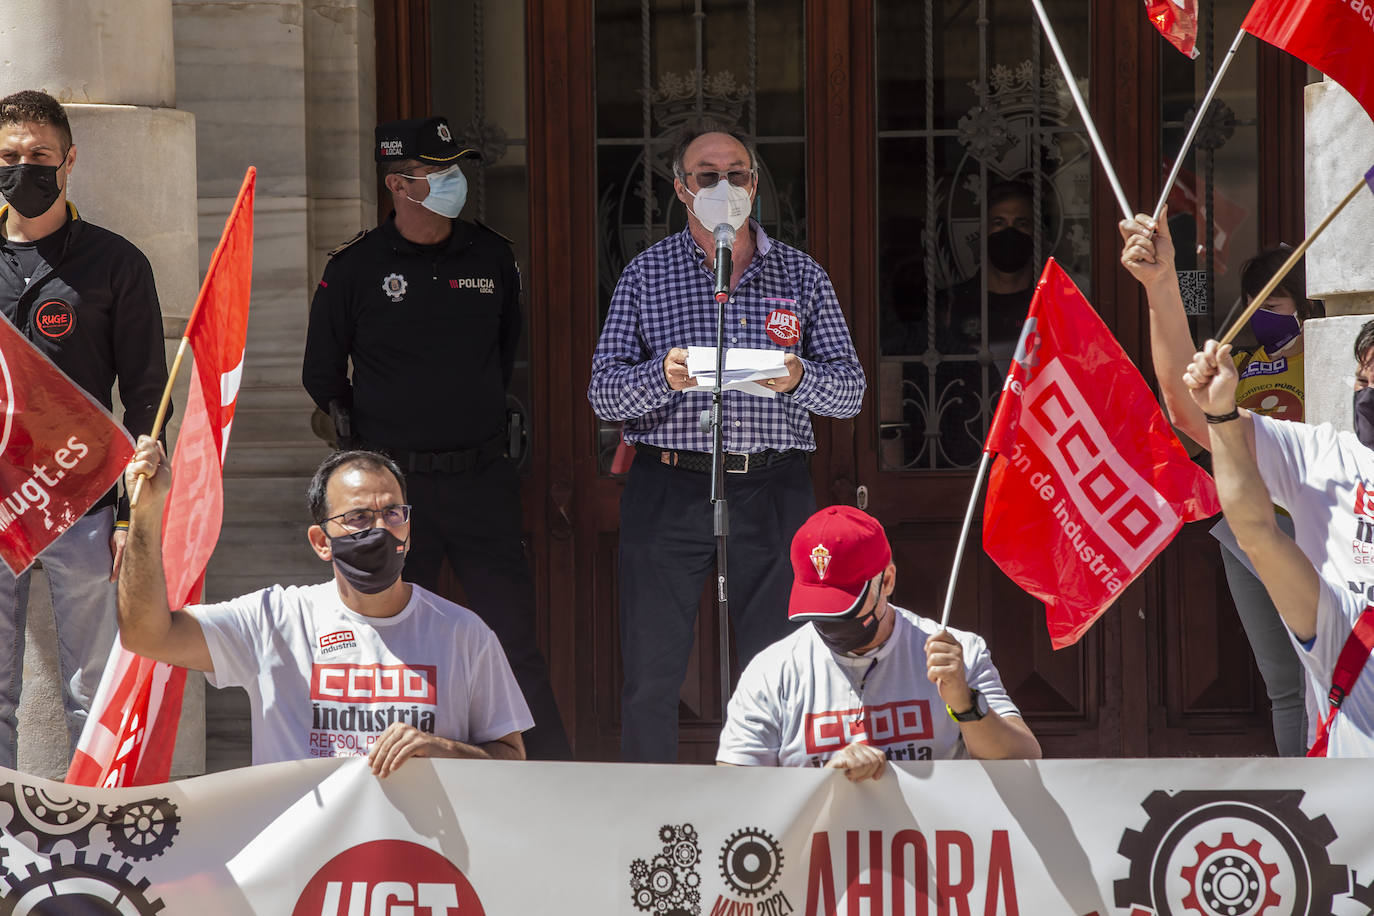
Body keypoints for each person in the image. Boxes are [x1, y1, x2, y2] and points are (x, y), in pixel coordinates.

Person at [588, 126, 866, 763]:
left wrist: (798, 378)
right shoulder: (646, 274)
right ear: (681, 189)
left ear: (755, 184)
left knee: (782, 664)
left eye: (736, 173)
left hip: (772, 488)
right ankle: (652, 808)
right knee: (652, 672)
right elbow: (603, 395)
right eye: (707, 175)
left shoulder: (800, 273)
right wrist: (661, 376)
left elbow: (850, 393)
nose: (723, 186)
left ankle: (777, 801)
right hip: (670, 485)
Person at [302, 115, 568, 759]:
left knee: (513, 642)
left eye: (455, 169)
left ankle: (548, 779)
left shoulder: (490, 255)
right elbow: (321, 376)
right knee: (390, 639)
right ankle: (389, 766)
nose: (453, 182)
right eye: (437, 172)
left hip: (480, 480)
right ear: (398, 184)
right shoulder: (355, 267)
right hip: (394, 494)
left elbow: (503, 353)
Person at [117, 439, 532, 773]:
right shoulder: (275, 621)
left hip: (415, 853)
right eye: (359, 517)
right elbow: (146, 635)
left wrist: (442, 750)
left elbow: (512, 759)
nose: (381, 529)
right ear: (321, 542)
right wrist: (146, 515)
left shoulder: (463, 633)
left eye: (393, 513)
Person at [0, 90, 169, 769]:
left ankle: (92, 825)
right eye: (9, 156)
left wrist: (133, 510)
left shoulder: (116, 263)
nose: (24, 168)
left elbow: (149, 393)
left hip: (84, 504)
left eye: (39, 155)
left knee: (94, 694)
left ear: (69, 160)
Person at [1120, 214, 1325, 756]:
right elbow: (1189, 425)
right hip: (1247, 534)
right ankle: (1304, 789)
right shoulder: (1240, 365)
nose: (1261, 315)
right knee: (1285, 686)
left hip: (1315, 531)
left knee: (1327, 673)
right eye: (1253, 303)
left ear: (1306, 304)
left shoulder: (1326, 362)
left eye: (1274, 303)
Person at [716, 506, 1041, 780]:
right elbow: (735, 792)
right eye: (820, 609)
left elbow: (1024, 760)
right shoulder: (772, 671)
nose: (832, 624)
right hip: (819, 838)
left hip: (935, 836)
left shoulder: (955, 654)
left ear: (887, 581)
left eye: (844, 608)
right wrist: (826, 782)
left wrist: (965, 703)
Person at [1182, 341, 1374, 755]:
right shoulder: (1349, 628)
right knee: (1286, 688)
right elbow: (1257, 535)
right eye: (1361, 381)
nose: (1367, 394)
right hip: (1349, 804)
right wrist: (1220, 416)